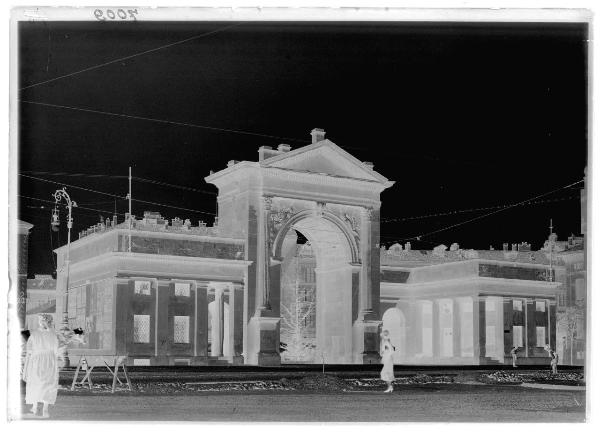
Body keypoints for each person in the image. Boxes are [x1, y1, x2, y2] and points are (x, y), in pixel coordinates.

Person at [22, 314, 60, 418]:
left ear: (41, 322)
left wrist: (26, 366)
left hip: (37, 360)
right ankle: (45, 409)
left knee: (35, 383)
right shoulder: (53, 335)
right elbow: (56, 350)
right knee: (48, 384)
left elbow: (29, 350)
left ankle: (35, 407)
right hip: (50, 360)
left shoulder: (34, 334)